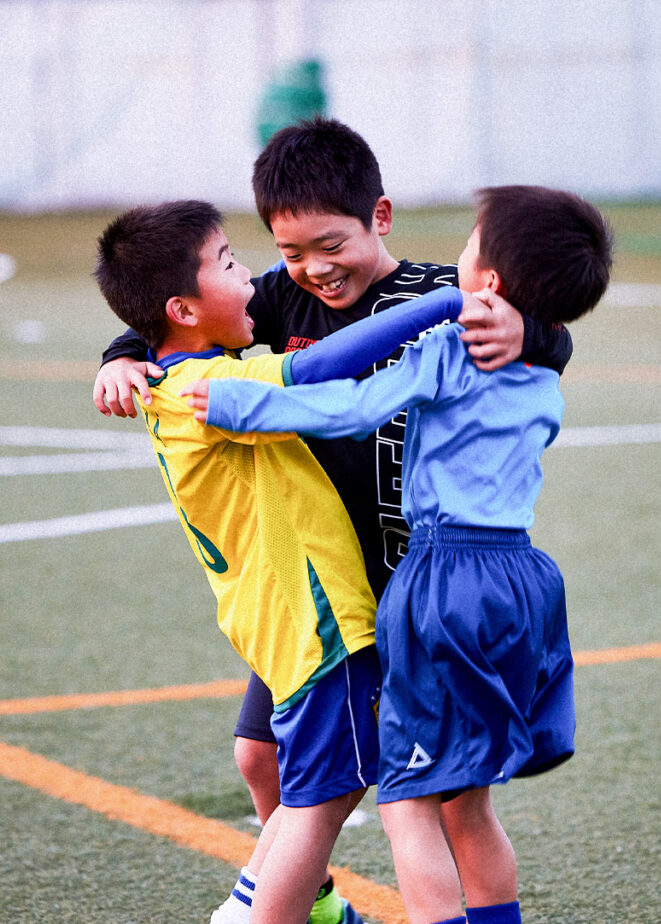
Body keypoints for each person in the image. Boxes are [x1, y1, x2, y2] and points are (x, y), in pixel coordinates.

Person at [91, 122, 574, 897]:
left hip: (406, 579)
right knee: (261, 758)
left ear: (378, 219)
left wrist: (535, 333)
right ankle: (308, 903)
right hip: (319, 577)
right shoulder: (281, 296)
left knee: (441, 799)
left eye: (330, 245)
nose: (314, 271)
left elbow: (544, 340)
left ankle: (294, 903)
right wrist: (121, 353)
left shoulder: (430, 293)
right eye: (288, 254)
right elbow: (181, 310)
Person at [185, 185, 614, 924]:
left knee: (408, 804)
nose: (464, 249)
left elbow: (354, 405)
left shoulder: (452, 347)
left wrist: (234, 405)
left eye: (475, 240)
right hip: (524, 580)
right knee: (467, 805)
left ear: (491, 283)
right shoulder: (540, 373)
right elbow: (546, 338)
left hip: (442, 582)